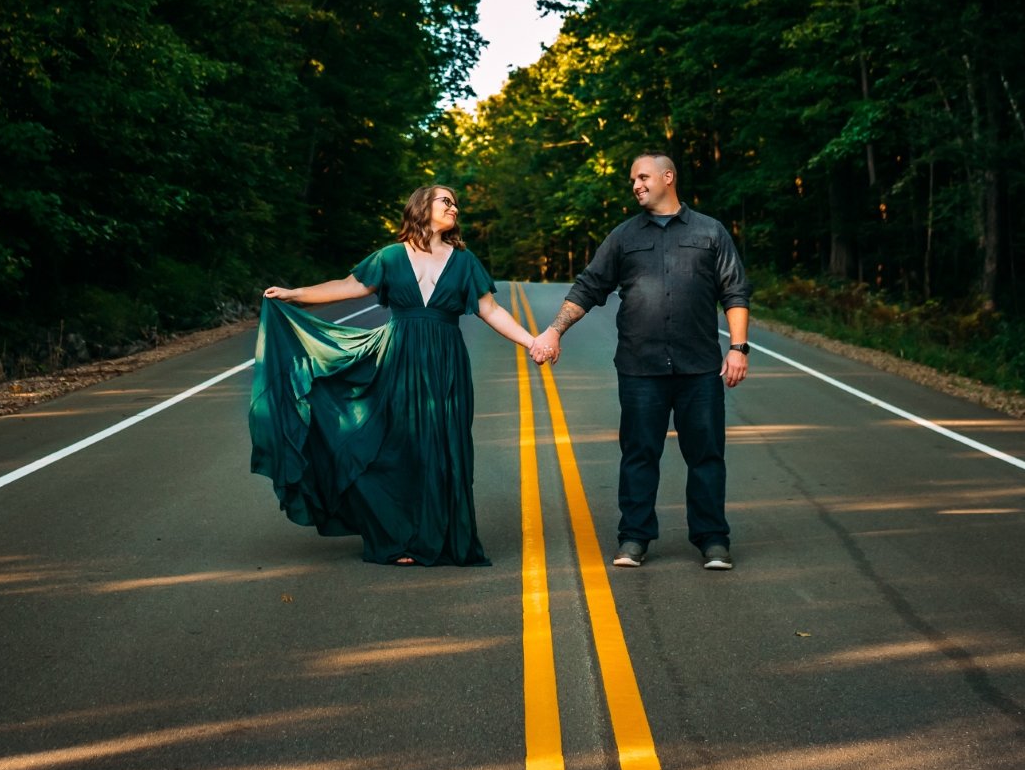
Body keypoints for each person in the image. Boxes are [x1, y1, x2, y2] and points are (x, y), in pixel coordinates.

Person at [250, 185, 541, 566]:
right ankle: (399, 538)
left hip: (446, 363)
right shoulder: (390, 257)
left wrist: (532, 342)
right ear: (423, 208)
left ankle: (443, 537)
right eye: (446, 201)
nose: (454, 207)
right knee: (399, 448)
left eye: (456, 203)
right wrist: (294, 294)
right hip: (398, 360)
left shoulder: (465, 261)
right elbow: (348, 286)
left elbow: (490, 310)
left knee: (444, 446)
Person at [529, 153, 749, 570]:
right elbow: (589, 286)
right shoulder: (624, 236)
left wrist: (738, 348)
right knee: (638, 455)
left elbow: (734, 291)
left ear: (669, 177)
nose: (636, 185)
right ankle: (634, 538)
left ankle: (713, 540)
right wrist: (555, 329)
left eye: (643, 177)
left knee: (705, 455)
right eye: (632, 179)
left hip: (698, 368)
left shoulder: (710, 232)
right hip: (639, 368)